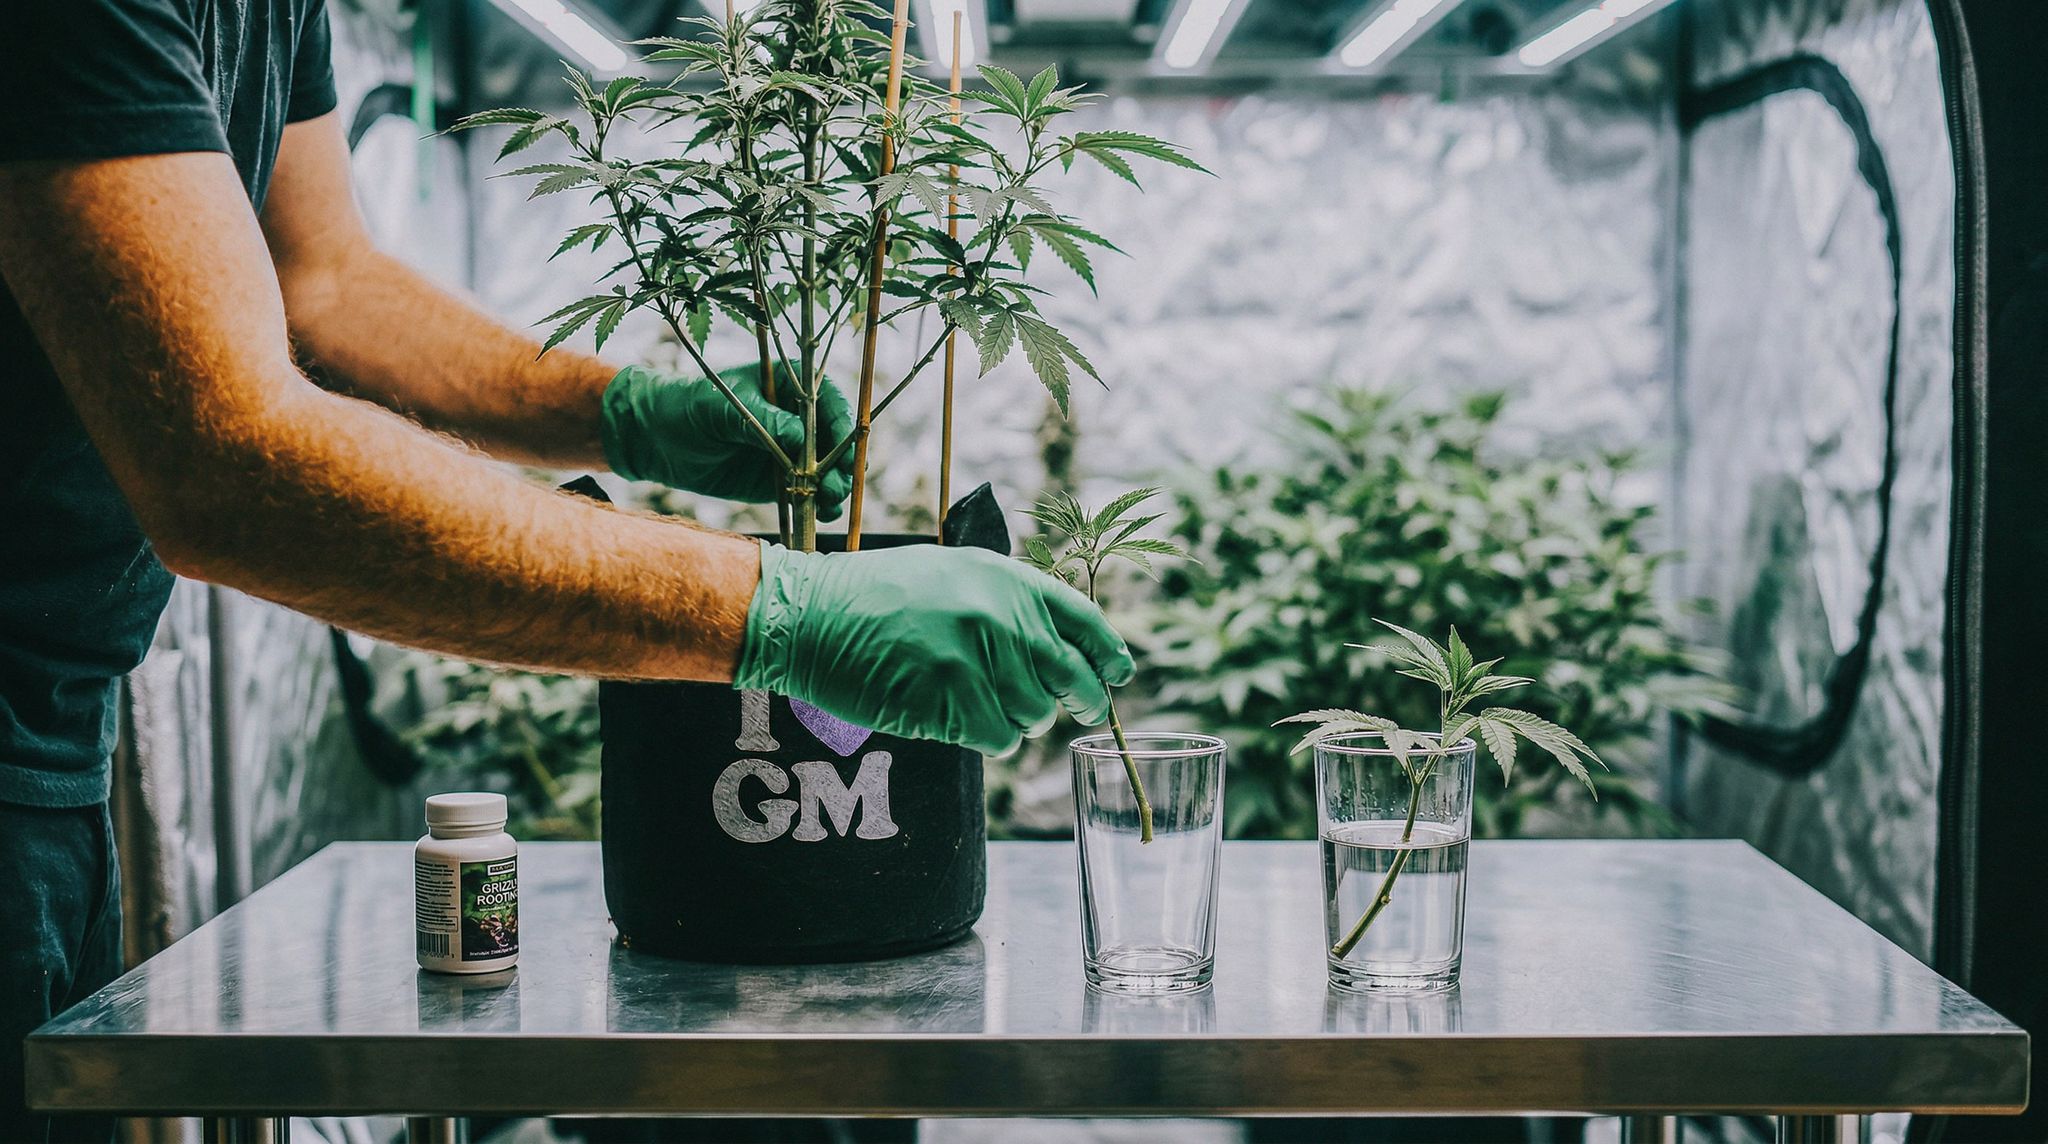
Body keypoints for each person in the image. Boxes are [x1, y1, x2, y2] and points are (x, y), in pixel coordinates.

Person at [0, 2, 1132, 1139]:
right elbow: (223, 462)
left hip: (58, 745)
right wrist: (784, 612)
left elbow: (325, 283)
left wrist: (621, 414)